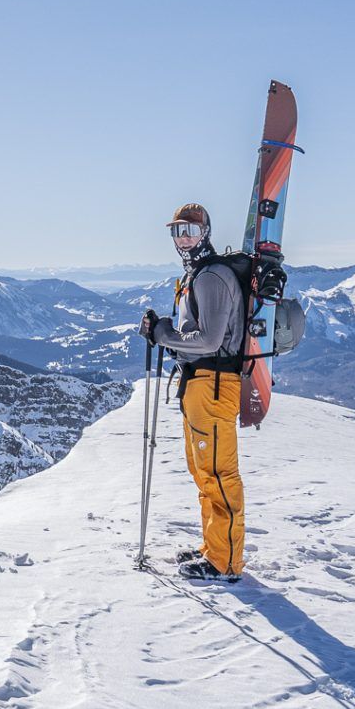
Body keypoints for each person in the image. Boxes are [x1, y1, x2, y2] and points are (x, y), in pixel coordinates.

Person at [140, 202, 246, 582]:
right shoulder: (196, 275)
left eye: (191, 230)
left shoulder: (210, 278)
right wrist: (163, 332)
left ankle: (226, 562)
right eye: (177, 231)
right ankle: (213, 547)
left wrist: (162, 333)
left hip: (214, 384)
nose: (184, 238)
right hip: (199, 383)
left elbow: (210, 339)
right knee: (204, 473)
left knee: (218, 473)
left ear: (206, 233)